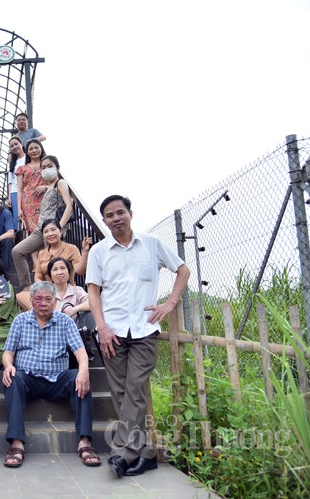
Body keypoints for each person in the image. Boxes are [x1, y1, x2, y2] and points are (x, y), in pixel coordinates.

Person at [86, 195, 190, 478]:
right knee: (121, 394)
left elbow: (183, 269)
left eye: (120, 212)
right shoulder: (98, 251)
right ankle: (145, 454)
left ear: (130, 213)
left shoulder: (152, 244)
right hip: (112, 332)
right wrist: (102, 327)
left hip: (144, 330)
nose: (116, 218)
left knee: (134, 389)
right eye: (109, 215)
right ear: (105, 221)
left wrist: (169, 303)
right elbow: (93, 291)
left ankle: (122, 453)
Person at [1, 281, 99, 468]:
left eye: (48, 299)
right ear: (31, 301)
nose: (43, 303)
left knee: (80, 377)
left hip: (57, 379)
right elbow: (8, 352)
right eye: (38, 299)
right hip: (28, 378)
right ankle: (16, 442)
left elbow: (80, 352)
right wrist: (7, 366)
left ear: (55, 302)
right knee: (12, 377)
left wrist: (84, 370)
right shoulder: (20, 321)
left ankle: (85, 441)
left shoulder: (65, 322)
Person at [12, 155, 75, 291]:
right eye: (43, 167)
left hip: (52, 231)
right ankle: (26, 286)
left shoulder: (61, 183)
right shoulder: (48, 186)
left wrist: (58, 227)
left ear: (57, 168)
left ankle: (56, 291)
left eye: (49, 166)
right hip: (40, 229)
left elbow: (69, 206)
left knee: (51, 262)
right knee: (17, 251)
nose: (46, 169)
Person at [15, 219, 90, 310]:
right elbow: (38, 276)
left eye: (53, 229)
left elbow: (80, 270)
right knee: (20, 296)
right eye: (46, 231)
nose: (50, 234)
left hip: (66, 290)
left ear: (61, 232)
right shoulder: (42, 253)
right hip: (48, 292)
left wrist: (85, 252)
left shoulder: (71, 248)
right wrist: (46, 290)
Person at [15, 138, 46, 235]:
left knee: (46, 227)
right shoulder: (22, 169)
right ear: (27, 152)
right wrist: (19, 209)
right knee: (34, 232)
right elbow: (19, 190)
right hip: (28, 203)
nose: (34, 150)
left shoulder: (47, 165)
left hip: (45, 201)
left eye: (36, 147)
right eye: (31, 149)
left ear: (41, 149)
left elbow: (55, 182)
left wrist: (45, 187)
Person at [6, 135, 26, 229]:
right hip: (15, 192)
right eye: (12, 146)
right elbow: (10, 181)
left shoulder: (28, 158)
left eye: (16, 144)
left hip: (27, 190)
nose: (14, 147)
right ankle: (19, 238)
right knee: (17, 216)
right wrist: (9, 196)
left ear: (21, 144)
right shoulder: (12, 162)